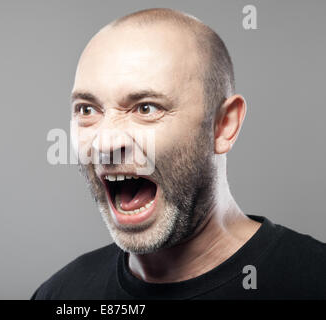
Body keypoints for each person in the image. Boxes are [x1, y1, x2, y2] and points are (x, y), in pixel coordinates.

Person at [32, 8, 326, 299]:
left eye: (146, 108)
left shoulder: (312, 281)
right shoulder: (62, 294)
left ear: (223, 125)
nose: (105, 144)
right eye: (87, 110)